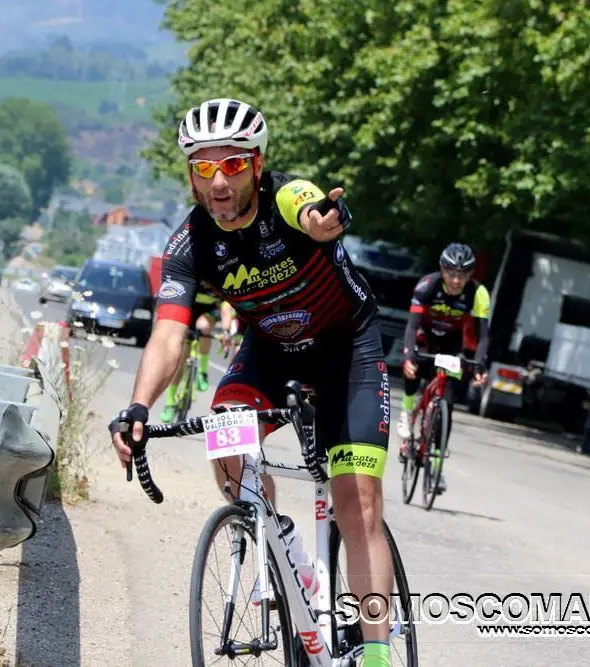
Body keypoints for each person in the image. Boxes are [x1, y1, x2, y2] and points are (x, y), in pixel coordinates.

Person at [108, 97, 395, 667]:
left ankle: (378, 654)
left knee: (356, 500)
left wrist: (321, 220)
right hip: (271, 352)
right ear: (191, 175)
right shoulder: (190, 243)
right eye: (204, 168)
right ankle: (276, 542)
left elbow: (309, 205)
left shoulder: (285, 198)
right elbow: (169, 334)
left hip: (347, 350)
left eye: (233, 165)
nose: (219, 182)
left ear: (257, 166)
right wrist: (138, 407)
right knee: (225, 435)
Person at [397, 242, 490, 492]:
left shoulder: (478, 293)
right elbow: (411, 326)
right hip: (424, 337)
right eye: (451, 273)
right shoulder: (427, 285)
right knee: (413, 368)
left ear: (471, 275)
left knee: (447, 402)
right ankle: (406, 415)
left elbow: (482, 336)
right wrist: (408, 357)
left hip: (451, 344)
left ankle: (437, 469)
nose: (456, 280)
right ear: (442, 269)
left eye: (463, 274)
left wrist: (479, 366)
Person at [158, 288, 221, 423]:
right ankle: (170, 403)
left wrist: (227, 331)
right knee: (180, 360)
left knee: (204, 328)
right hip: (187, 308)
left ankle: (202, 372)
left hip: (209, 311)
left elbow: (227, 307)